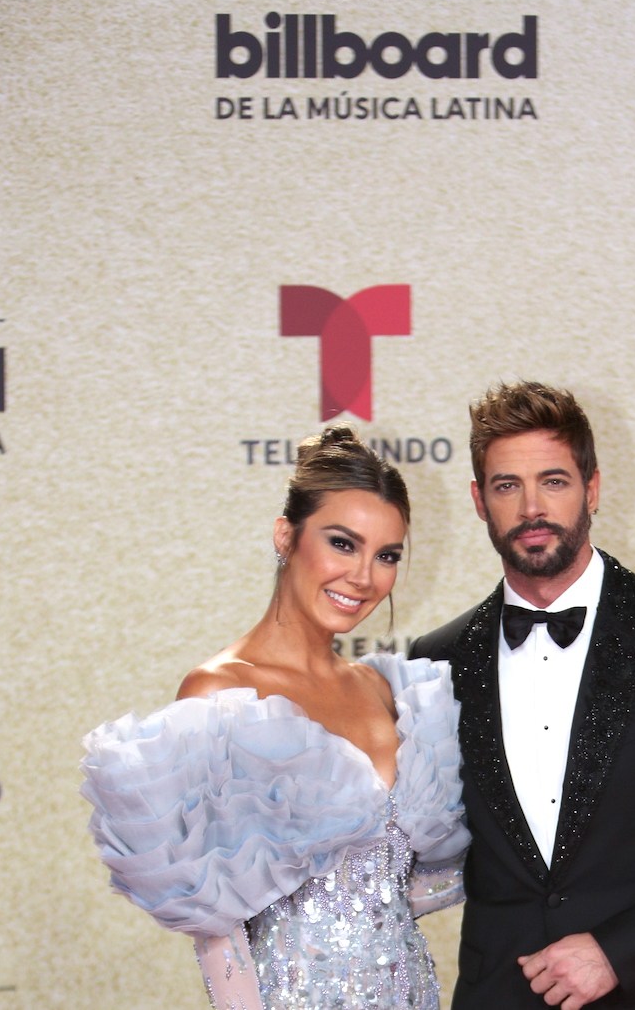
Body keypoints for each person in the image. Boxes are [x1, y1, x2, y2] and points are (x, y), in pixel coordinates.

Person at [81, 424, 470, 1010]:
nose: (364, 577)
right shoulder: (223, 691)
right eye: (342, 543)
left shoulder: (385, 690)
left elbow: (403, 881)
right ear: (286, 536)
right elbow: (216, 934)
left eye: (385, 555)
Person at [410, 380, 635, 1009]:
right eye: (507, 485)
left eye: (555, 481)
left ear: (592, 488)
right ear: (479, 501)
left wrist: (622, 951)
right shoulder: (434, 662)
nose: (531, 506)